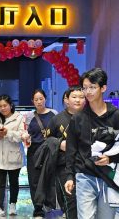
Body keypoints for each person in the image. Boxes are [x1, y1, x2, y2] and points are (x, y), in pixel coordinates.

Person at [64, 68, 119, 219]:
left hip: (109, 176)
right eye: (85, 87)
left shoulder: (117, 116)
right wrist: (69, 176)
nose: (87, 92)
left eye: (92, 87)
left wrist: (111, 159)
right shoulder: (78, 118)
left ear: (103, 88)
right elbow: (71, 149)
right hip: (85, 176)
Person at [47, 86, 86, 219]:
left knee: (86, 200)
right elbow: (48, 139)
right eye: (74, 97)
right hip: (64, 165)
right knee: (71, 199)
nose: (78, 100)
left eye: (81, 97)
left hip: (86, 166)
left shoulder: (90, 117)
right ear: (67, 100)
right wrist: (59, 144)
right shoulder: (57, 119)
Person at [0, 94, 27, 218]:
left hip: (13, 155)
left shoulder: (19, 118)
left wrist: (8, 133)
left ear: (11, 105)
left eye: (5, 105)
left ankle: (13, 204)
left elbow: (22, 134)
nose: (3, 108)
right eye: (0, 106)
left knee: (14, 182)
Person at [25, 89, 57, 217]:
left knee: (49, 178)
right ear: (32, 101)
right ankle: (37, 207)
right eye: (36, 99)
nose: (39, 102)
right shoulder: (29, 116)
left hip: (49, 149)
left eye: (41, 99)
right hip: (34, 150)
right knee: (34, 179)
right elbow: (27, 132)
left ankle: (48, 203)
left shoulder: (54, 114)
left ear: (45, 99)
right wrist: (25, 137)